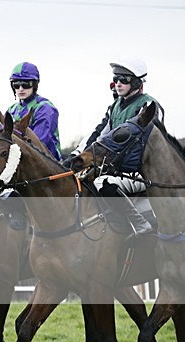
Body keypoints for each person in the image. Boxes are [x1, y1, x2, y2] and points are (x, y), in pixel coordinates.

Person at [67, 58, 164, 238]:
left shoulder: (148, 105)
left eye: (123, 79)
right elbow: (101, 135)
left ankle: (140, 224)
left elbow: (136, 143)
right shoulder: (115, 106)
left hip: (140, 172)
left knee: (103, 183)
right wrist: (79, 156)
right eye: (115, 79)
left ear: (136, 81)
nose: (118, 84)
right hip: (116, 168)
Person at [6, 62, 62, 160]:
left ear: (34, 85)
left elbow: (37, 144)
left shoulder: (45, 108)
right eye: (16, 85)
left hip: (47, 164)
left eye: (26, 84)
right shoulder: (11, 110)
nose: (21, 89)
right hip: (18, 162)